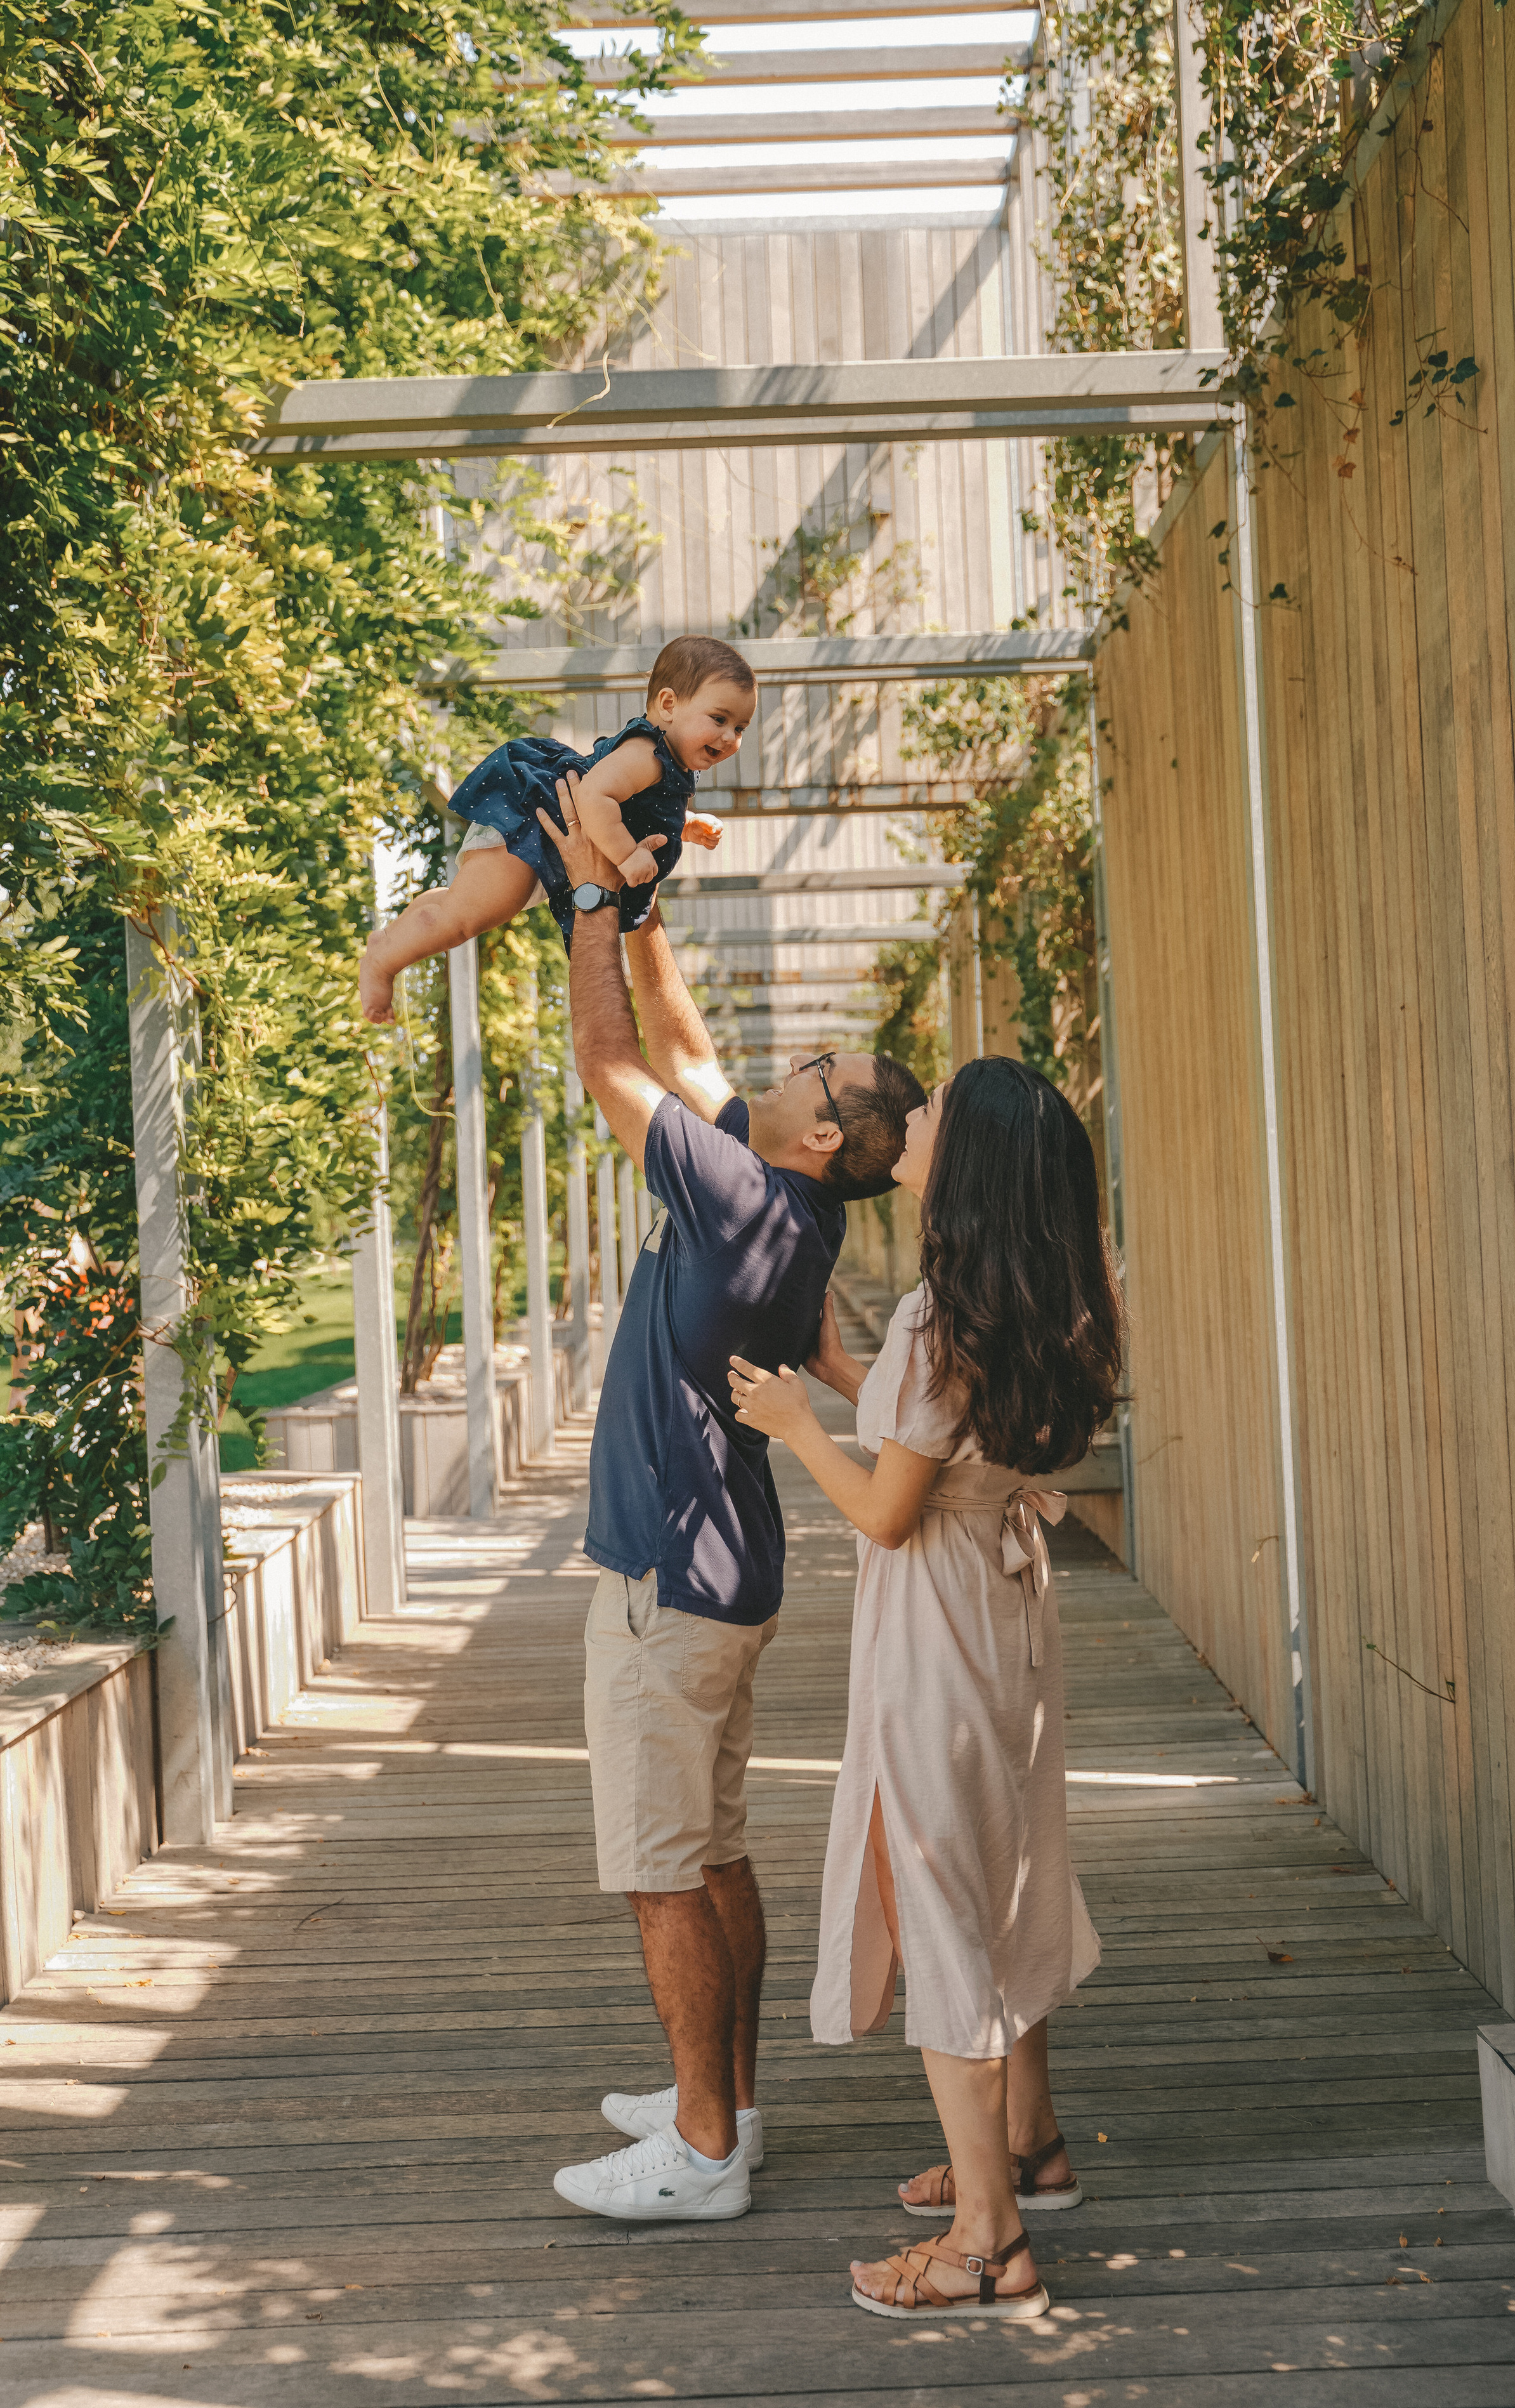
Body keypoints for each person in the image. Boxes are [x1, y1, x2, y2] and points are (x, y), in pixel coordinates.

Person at [538, 777, 927, 2225]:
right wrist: (647, 916)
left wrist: (584, 898)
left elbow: (608, 1053)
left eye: (820, 1075)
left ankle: (700, 2148)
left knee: (657, 1872)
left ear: (819, 1138)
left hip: (668, 1586)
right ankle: (735, 2102)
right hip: (734, 1574)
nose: (802, 1059)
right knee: (712, 1850)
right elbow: (689, 1048)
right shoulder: (792, 1204)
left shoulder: (733, 1189)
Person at [729, 1056, 1123, 2319]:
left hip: (935, 1635)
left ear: (966, 1163)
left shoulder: (935, 1318)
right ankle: (1029, 2145)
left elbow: (890, 1512)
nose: (910, 1119)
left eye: (935, 1111)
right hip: (1006, 1620)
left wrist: (793, 1424)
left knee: (942, 1902)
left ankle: (985, 2243)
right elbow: (942, 1440)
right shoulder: (1038, 1301)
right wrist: (845, 1383)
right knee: (1003, 1873)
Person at [357, 635, 754, 1023]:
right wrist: (626, 855)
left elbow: (635, 808)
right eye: (719, 719)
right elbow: (596, 796)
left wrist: (684, 826)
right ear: (668, 704)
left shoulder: (666, 762)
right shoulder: (647, 755)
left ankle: (392, 940)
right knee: (462, 922)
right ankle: (383, 962)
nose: (729, 738)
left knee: (460, 908)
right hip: (536, 826)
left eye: (740, 728)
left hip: (540, 838)